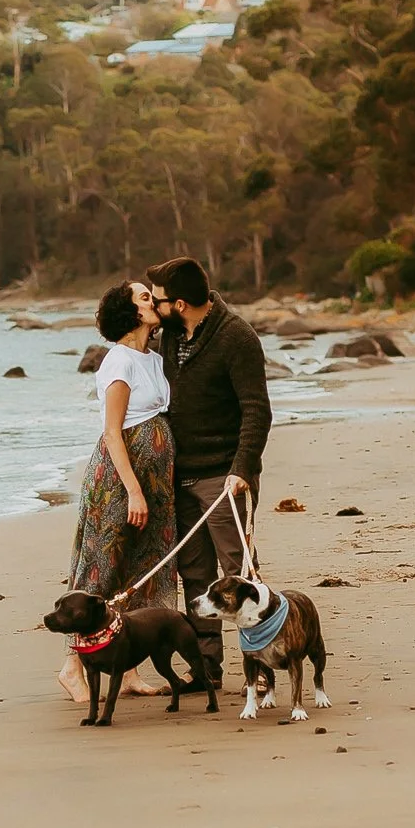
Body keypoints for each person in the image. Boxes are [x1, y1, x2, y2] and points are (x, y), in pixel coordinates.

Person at [146, 256, 272, 685]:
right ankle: (206, 671)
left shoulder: (237, 337)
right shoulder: (165, 336)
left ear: (179, 303)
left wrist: (242, 469)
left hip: (225, 477)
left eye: (159, 300)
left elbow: (257, 411)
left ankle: (262, 667)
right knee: (194, 575)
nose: (154, 307)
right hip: (177, 477)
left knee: (241, 576)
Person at [58, 279, 181, 702]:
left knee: (144, 569)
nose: (154, 301)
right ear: (129, 312)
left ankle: (126, 668)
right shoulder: (119, 361)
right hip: (118, 482)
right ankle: (73, 667)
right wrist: (134, 491)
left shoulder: (153, 357)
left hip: (154, 482)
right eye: (145, 296)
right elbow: (112, 433)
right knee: (101, 570)